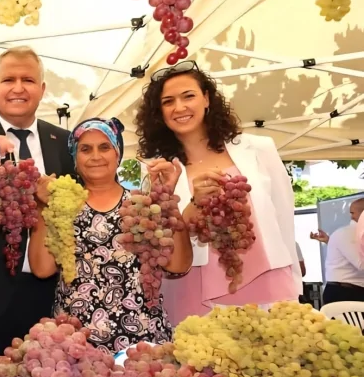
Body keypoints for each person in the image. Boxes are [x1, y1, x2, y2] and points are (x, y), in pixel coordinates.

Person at [134, 60, 301, 324]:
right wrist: (194, 203)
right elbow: (163, 241)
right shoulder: (159, 168)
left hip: (264, 278)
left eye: (188, 96)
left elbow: (283, 217)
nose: (179, 107)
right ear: (159, 113)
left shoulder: (259, 148)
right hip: (193, 286)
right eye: (168, 101)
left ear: (207, 99)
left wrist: (293, 279)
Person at [28, 118, 191, 355]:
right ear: (75, 159)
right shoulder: (62, 205)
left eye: (104, 147)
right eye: (86, 149)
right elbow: (42, 269)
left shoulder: (143, 204)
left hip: (140, 340)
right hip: (75, 342)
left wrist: (166, 198)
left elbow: (179, 265)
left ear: (118, 155)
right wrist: (43, 207)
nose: (96, 156)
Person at [0, 46, 75, 355]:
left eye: (28, 80)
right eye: (8, 80)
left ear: (42, 89)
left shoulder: (63, 140)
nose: (18, 88)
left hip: (49, 289)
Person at [311, 198, 364, 303]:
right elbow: (361, 264)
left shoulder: (349, 234)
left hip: (352, 290)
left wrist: (329, 241)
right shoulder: (348, 233)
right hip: (345, 292)